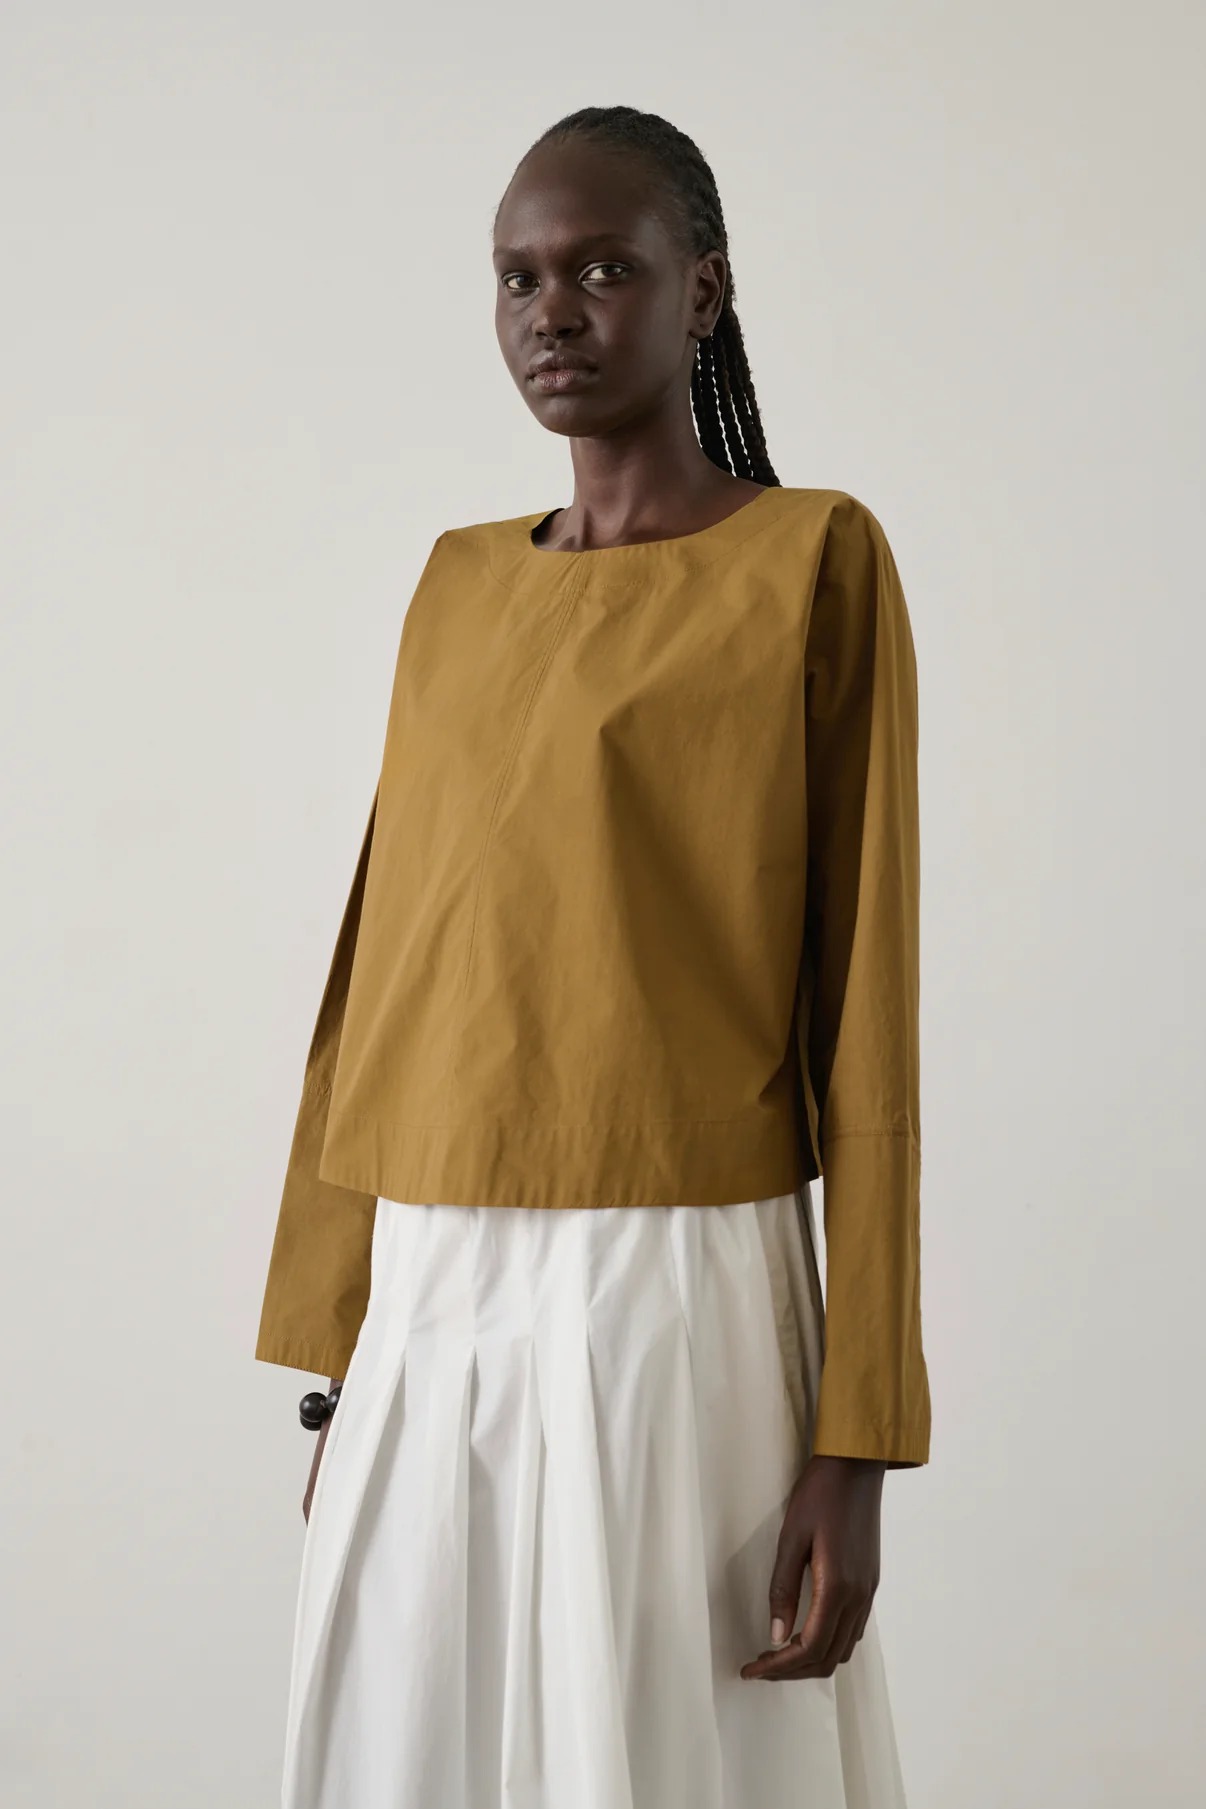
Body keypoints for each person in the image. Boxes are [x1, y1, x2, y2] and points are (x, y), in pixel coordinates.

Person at [255, 103, 931, 1809]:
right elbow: (382, 968)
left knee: (656, 1746)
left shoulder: (810, 561)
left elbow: (867, 1011)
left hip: (673, 1281)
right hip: (429, 1285)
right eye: (517, 278)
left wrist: (856, 1436)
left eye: (602, 270)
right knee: (415, 1747)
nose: (550, 311)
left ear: (701, 292)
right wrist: (341, 1362)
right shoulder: (455, 584)